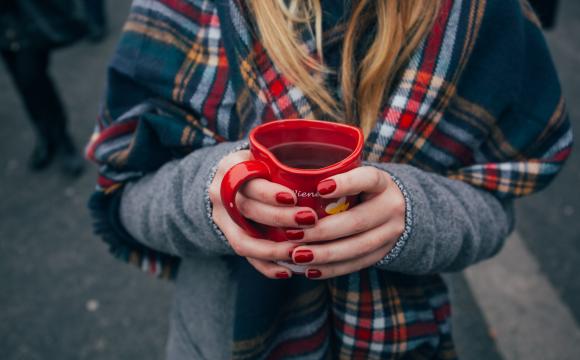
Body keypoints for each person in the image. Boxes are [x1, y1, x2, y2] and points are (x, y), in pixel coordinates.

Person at [86, 0, 572, 358]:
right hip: (218, 340)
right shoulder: (191, 6)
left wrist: (416, 214)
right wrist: (211, 193)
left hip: (398, 342)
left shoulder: (481, 16)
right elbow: (125, 191)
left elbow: (493, 206)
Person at [0, 0, 86, 176]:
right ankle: (45, 136)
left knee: (34, 78)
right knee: (23, 85)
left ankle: (62, 139)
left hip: (25, 18)